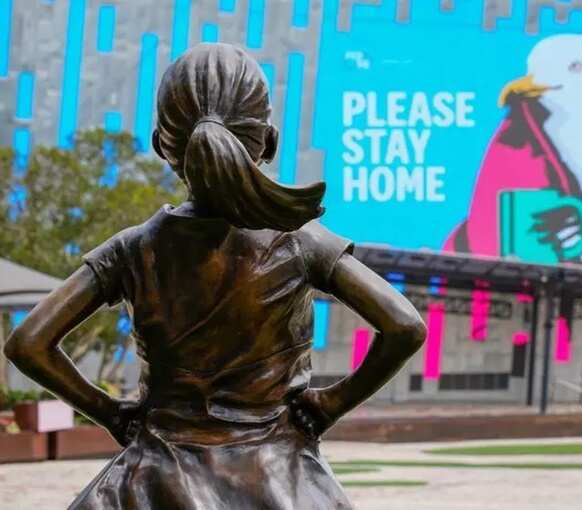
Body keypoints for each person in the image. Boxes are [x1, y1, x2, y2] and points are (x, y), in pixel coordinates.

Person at [4, 43, 426, 509]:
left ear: (162, 146)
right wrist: (332, 403)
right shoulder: (302, 242)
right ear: (269, 141)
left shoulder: (131, 249)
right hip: (280, 480)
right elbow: (404, 325)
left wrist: (109, 412)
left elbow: (29, 344)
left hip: (152, 480)